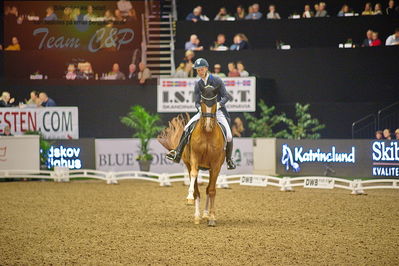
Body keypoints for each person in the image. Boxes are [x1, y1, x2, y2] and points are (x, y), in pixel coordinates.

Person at [166, 58, 236, 170]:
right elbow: (196, 102)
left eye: (201, 69)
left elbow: (226, 96)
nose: (200, 72)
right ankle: (177, 153)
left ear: (206, 69)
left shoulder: (217, 80)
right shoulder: (198, 84)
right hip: (203, 112)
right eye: (198, 70)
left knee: (228, 135)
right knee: (187, 127)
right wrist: (199, 108)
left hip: (218, 112)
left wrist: (218, 105)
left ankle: (229, 159)